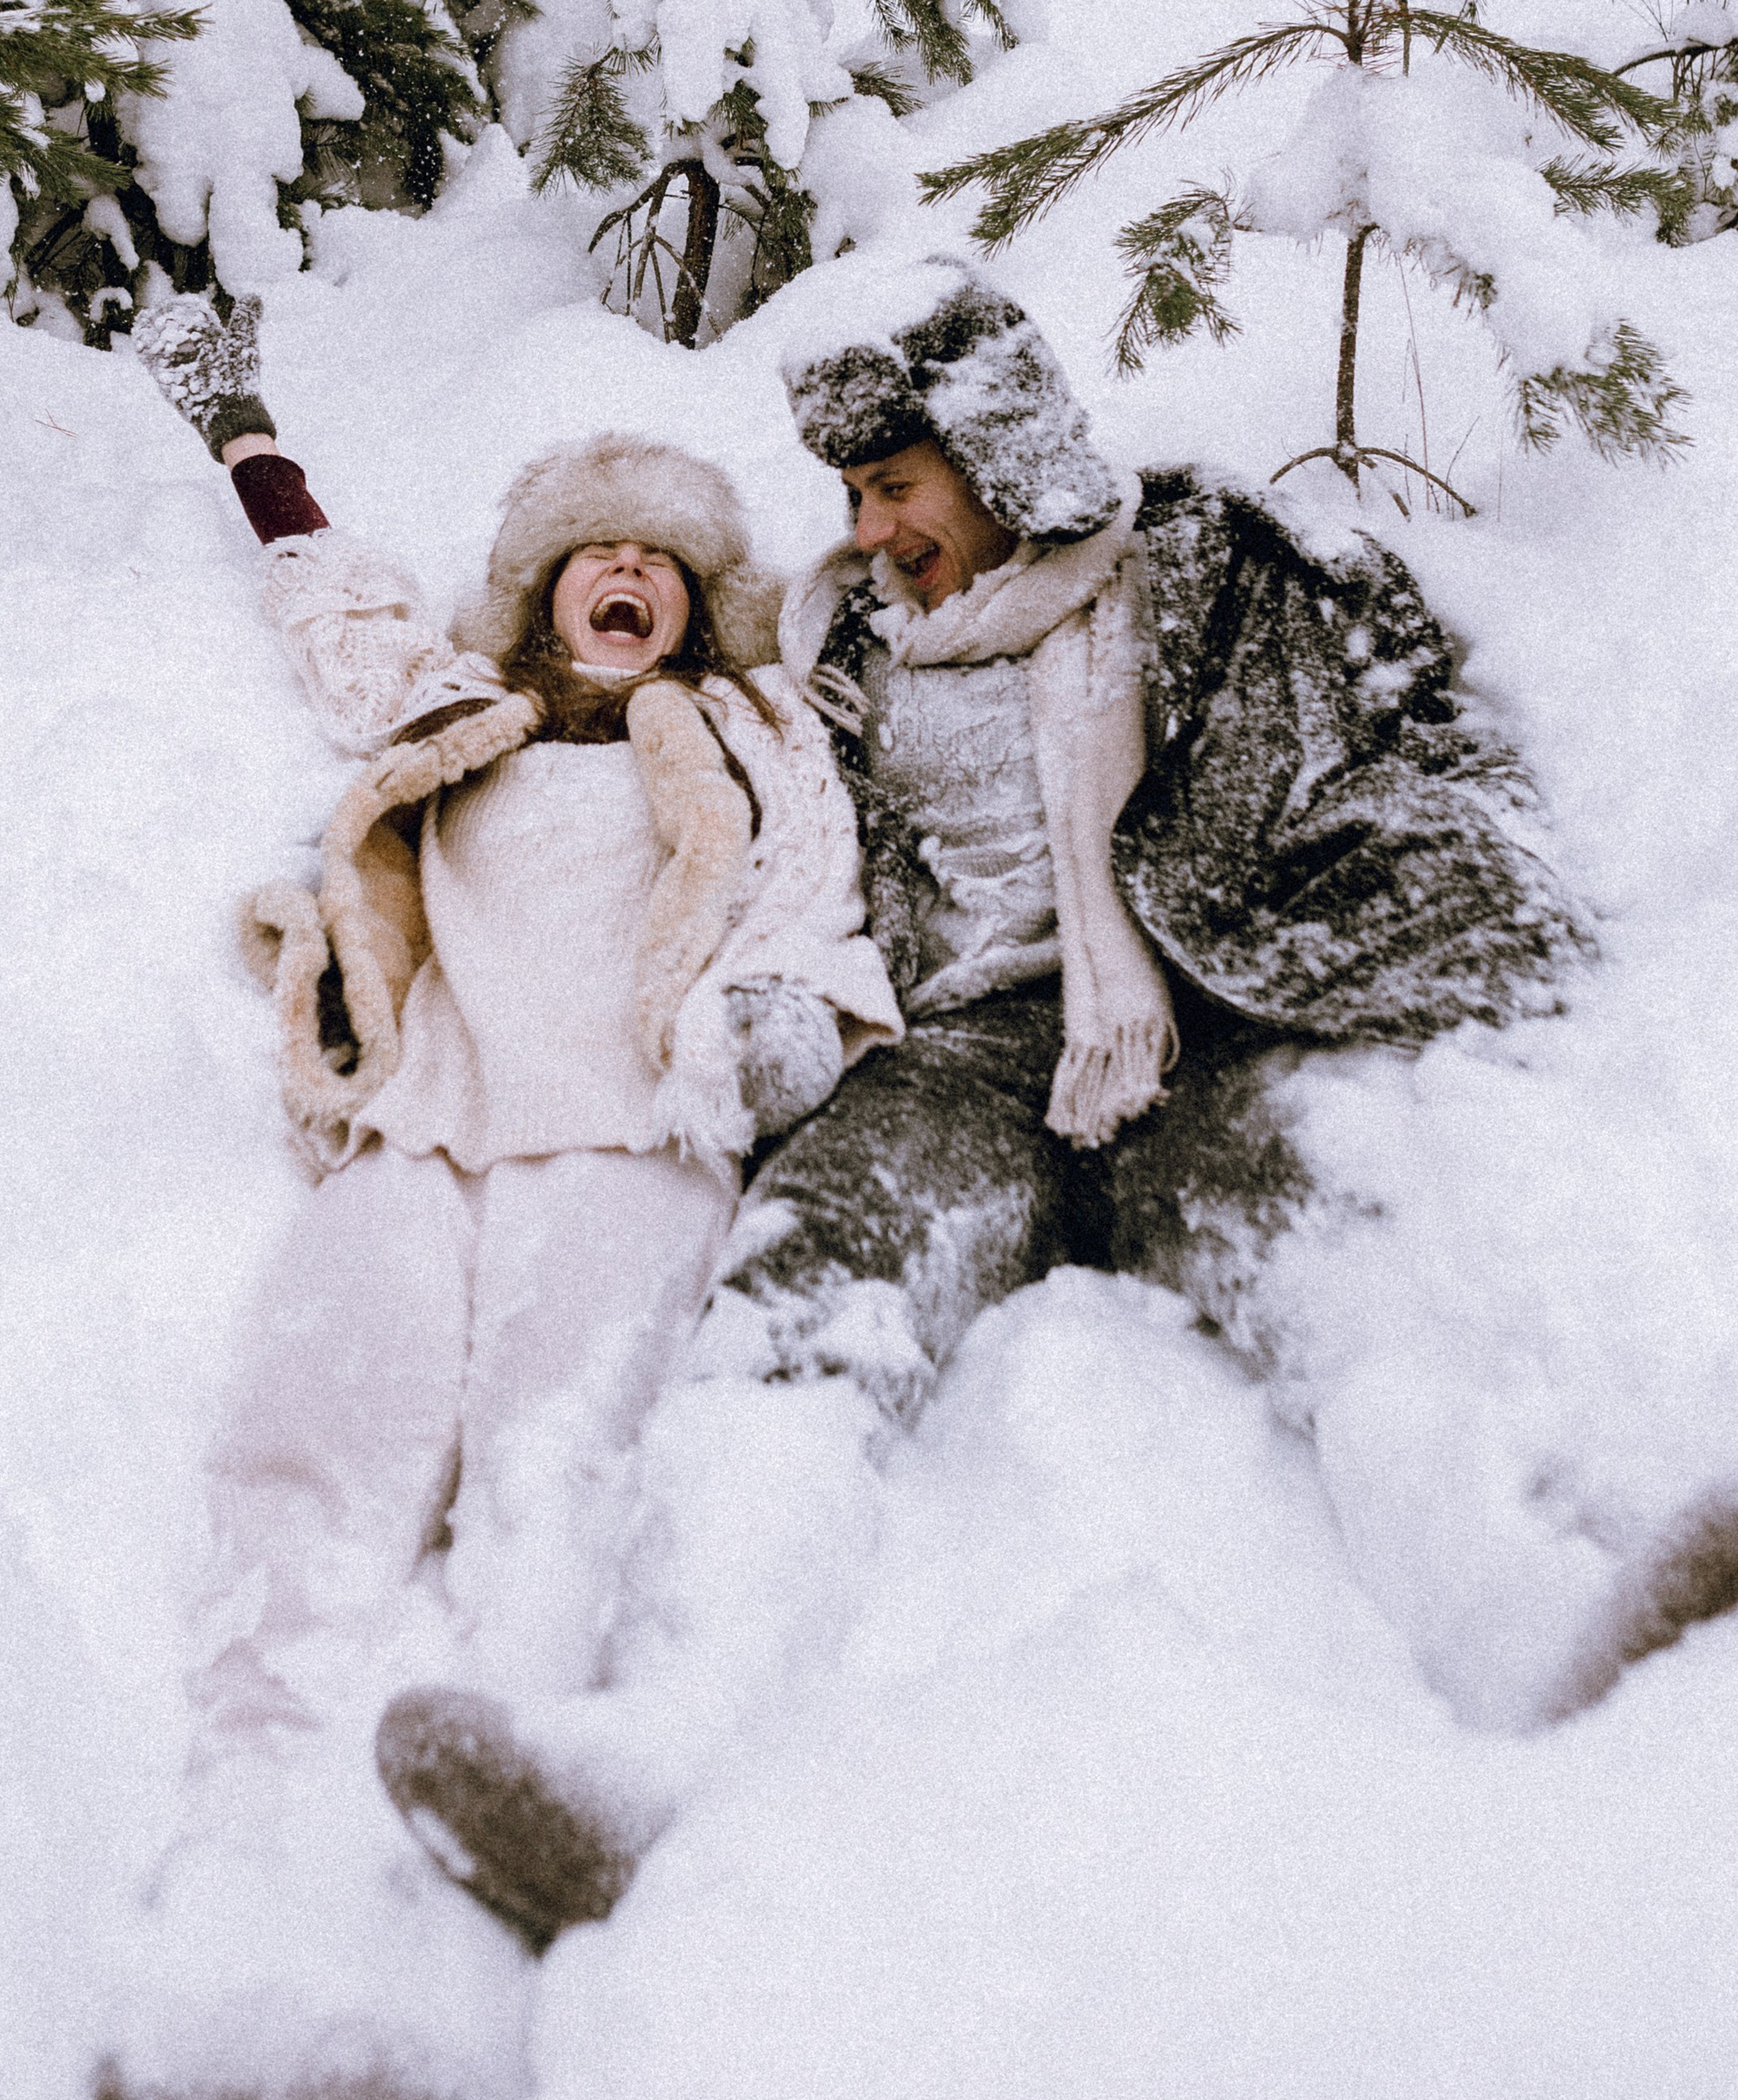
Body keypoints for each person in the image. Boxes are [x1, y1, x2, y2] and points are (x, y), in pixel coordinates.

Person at [374, 256, 1665, 1955]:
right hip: (953, 1057)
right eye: (848, 491)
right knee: (798, 1304)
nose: (872, 522)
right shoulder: (836, 643)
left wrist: (1375, 918)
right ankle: (658, 1737)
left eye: (894, 482)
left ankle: (1507, 1599)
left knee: (1320, 1258)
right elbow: (735, 820)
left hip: (1191, 1033)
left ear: (994, 453)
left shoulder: (1191, 576)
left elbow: (1397, 741)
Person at [95, 292, 899, 2100]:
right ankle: (222, 1917)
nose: (618, 575)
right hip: (412, 1136)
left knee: (548, 1508)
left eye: (657, 561)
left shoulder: (753, 732)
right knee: (303, 1477)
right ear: (536, 598)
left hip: (626, 1151)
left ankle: (440, 1995)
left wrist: (770, 1034)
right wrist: (237, 427)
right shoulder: (450, 713)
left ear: (698, 608)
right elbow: (332, 595)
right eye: (583, 555)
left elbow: (805, 902)